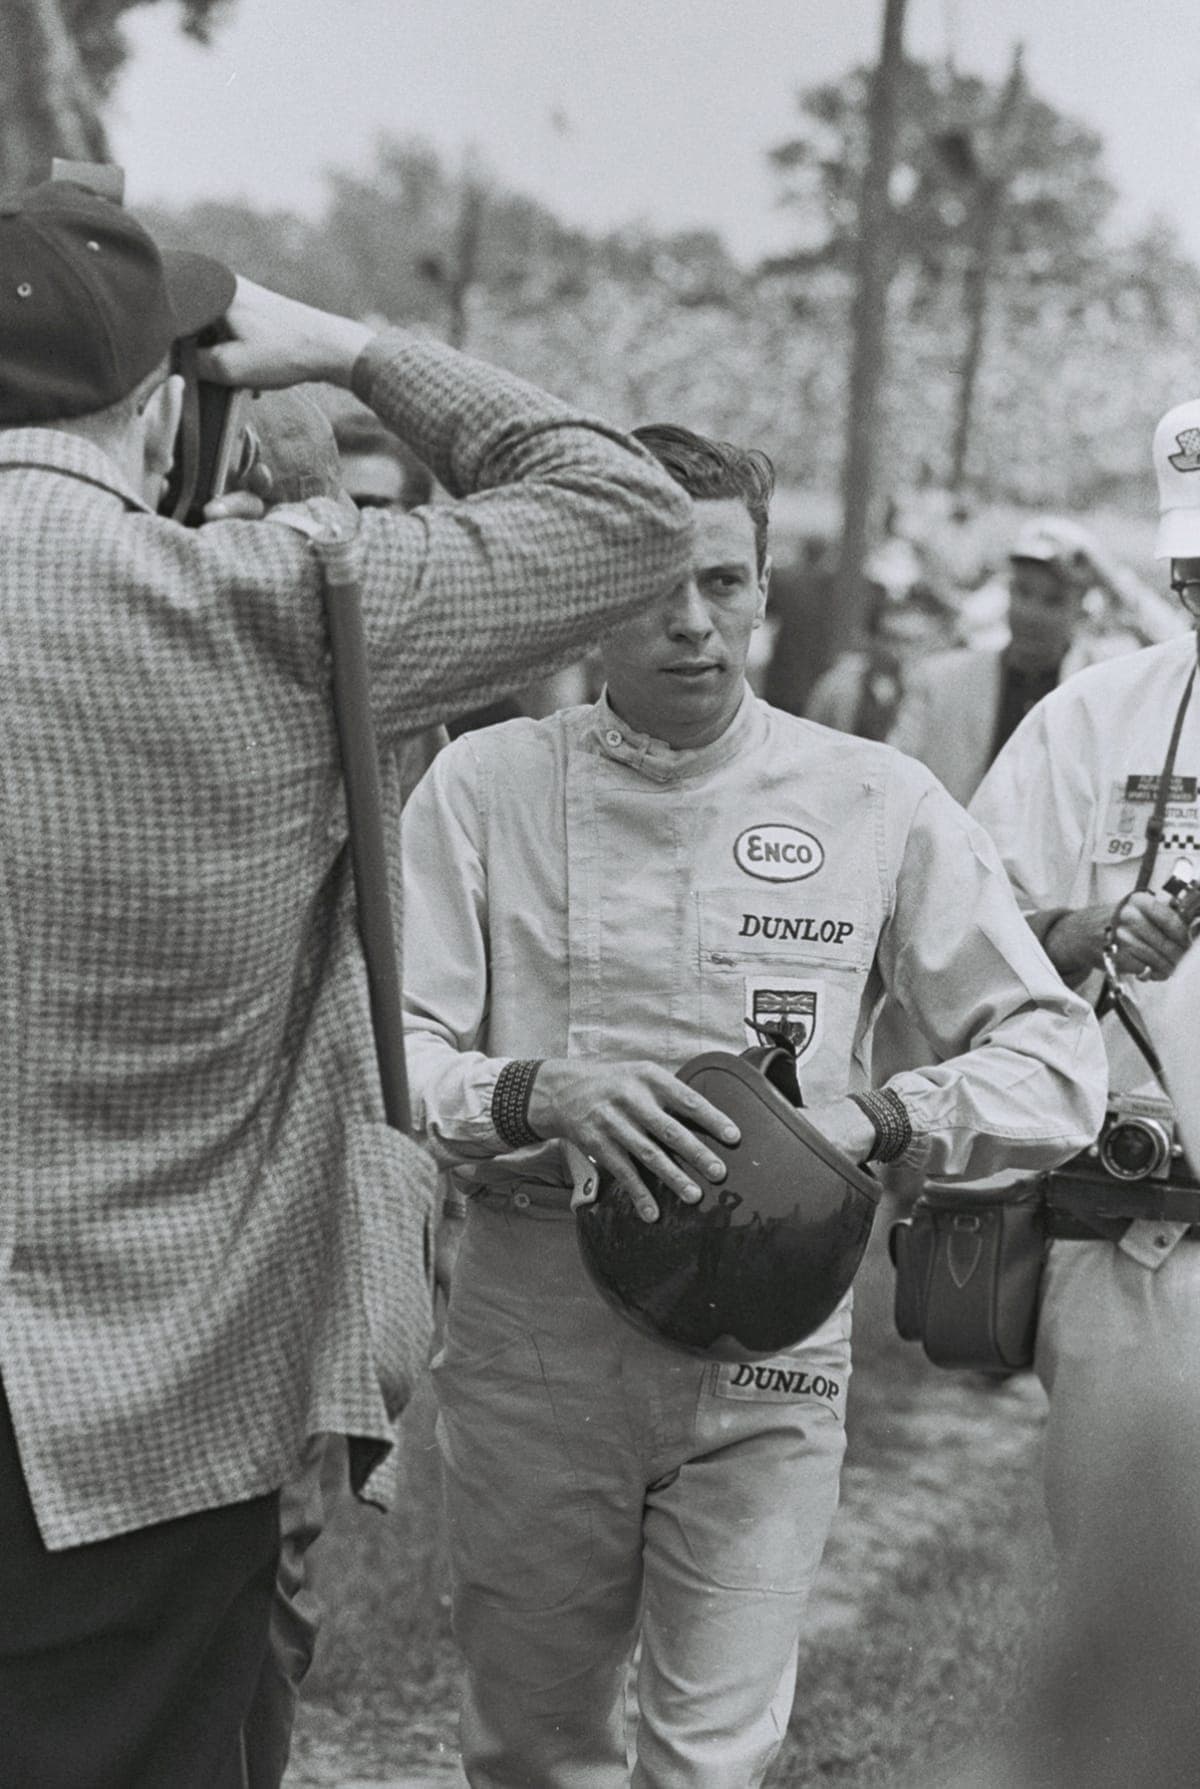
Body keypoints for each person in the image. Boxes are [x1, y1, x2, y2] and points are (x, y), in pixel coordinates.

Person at [0, 175, 693, 1789]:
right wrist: (360, 350)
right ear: (175, 401)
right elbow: (628, 510)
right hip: (157, 1405)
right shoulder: (289, 598)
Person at [400, 422, 1106, 1789]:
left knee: (718, 1754)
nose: (690, 622)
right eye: (652, 583)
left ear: (766, 590)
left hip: (771, 1346)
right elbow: (395, 1052)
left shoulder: (874, 799)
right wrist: (535, 1087)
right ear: (586, 591)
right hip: (533, 1326)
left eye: (724, 582)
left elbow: (1055, 1055)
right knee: (531, 1747)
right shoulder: (482, 788)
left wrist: (882, 1121)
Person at [966, 396, 1200, 1563]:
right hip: (1141, 1241)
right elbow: (959, 924)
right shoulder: (1097, 722)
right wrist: (1086, 928)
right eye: (1195, 573)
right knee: (1133, 1611)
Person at [803, 574, 959, 741]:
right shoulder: (843, 682)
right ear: (874, 639)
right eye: (891, 640)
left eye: (914, 642)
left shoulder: (935, 691)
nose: (900, 652)